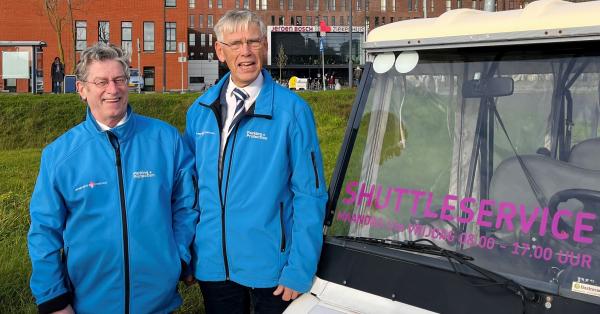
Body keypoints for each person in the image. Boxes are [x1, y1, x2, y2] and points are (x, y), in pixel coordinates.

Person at [28, 43, 199, 314]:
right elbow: (43, 232)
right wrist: (54, 300)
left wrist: (177, 257)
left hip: (158, 303)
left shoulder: (166, 140)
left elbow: (186, 204)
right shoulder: (59, 156)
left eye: (120, 80)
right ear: (82, 89)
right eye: (101, 81)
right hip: (90, 302)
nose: (113, 89)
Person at [184, 9, 328, 314]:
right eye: (236, 44)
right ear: (220, 52)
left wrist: (300, 268)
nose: (246, 52)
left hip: (272, 271)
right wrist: (190, 254)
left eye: (253, 42)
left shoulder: (293, 111)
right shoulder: (199, 111)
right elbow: (190, 192)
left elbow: (310, 194)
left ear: (265, 46)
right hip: (213, 267)